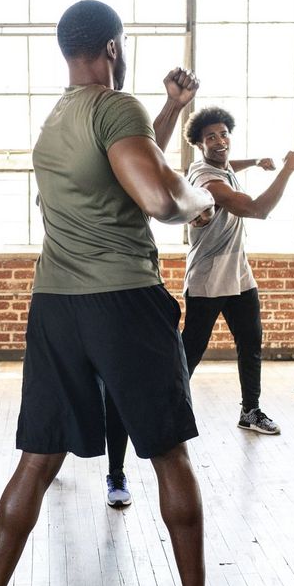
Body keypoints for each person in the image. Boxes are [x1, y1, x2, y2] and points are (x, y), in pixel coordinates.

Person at [0, 0, 228, 586]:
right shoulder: (114, 105)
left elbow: (124, 162)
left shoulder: (59, 117)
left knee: (37, 462)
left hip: (56, 306)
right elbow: (158, 199)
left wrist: (167, 112)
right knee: (168, 456)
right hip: (123, 302)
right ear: (110, 46)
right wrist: (201, 194)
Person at [103, 66, 201, 509]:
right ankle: (107, 469)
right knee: (101, 398)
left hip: (116, 292)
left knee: (116, 395)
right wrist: (201, 199)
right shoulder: (107, 113)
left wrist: (174, 105)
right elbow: (164, 198)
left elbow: (147, 154)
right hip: (112, 295)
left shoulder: (116, 133)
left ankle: (115, 471)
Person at [178, 106, 294, 435]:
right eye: (210, 137)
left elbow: (230, 165)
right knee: (191, 349)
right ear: (199, 143)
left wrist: (256, 161)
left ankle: (251, 410)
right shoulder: (207, 179)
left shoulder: (214, 165)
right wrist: (287, 170)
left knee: (250, 342)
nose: (220, 141)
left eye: (223, 134)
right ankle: (166, 408)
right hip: (209, 276)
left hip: (238, 273)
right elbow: (256, 209)